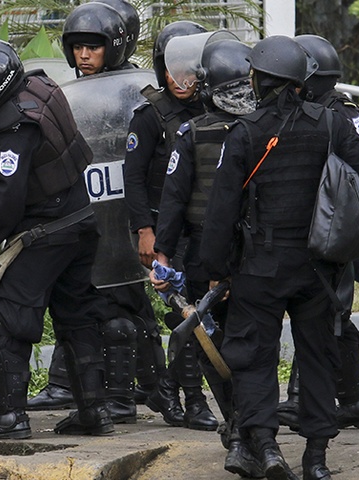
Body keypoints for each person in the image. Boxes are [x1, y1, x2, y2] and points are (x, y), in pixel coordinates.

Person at [200, 36, 359, 480]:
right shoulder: (332, 124)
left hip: (260, 265)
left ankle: (267, 447)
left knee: (254, 357)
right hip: (318, 265)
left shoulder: (244, 132)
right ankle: (315, 460)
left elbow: (220, 212)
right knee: (317, 356)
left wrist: (213, 270)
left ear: (259, 80)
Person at [0, 38, 114, 439]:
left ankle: (10, 418)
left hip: (46, 234)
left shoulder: (12, 130)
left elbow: (7, 201)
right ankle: (94, 412)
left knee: (9, 321)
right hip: (79, 222)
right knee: (78, 319)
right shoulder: (37, 88)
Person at [27, 0, 163, 427]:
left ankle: (158, 385)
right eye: (78, 48)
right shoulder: (66, 92)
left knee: (128, 300)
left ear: (115, 47)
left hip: (126, 210)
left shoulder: (137, 91)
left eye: (94, 47)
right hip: (85, 209)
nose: (84, 56)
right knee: (82, 299)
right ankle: (68, 382)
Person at [150, 36, 257, 474]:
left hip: (202, 254)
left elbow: (174, 200)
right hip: (256, 255)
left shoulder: (192, 134)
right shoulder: (266, 128)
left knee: (211, 342)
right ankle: (249, 427)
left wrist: (163, 255)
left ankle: (236, 422)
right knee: (251, 343)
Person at [274, 33, 359, 433]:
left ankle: (303, 398)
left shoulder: (340, 115)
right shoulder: (324, 110)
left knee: (323, 312)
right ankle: (353, 401)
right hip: (327, 228)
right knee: (335, 314)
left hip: (338, 230)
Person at [122, 20, 218, 431]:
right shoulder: (149, 116)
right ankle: (192, 400)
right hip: (165, 233)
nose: (181, 80)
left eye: (190, 70)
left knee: (204, 316)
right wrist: (146, 232)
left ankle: (173, 389)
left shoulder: (216, 109)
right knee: (184, 314)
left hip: (205, 231)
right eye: (172, 70)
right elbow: (133, 179)